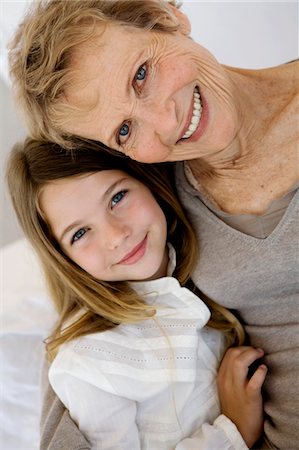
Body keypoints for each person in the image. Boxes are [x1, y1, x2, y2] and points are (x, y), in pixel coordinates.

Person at [8, 1, 298, 448]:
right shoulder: (161, 191)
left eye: (142, 74)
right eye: (124, 131)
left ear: (165, 17)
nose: (166, 123)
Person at [7, 137, 267, 449]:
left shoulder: (203, 259)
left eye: (117, 198)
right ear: (64, 259)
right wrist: (232, 432)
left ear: (144, 180)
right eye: (79, 233)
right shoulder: (90, 363)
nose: (116, 236)